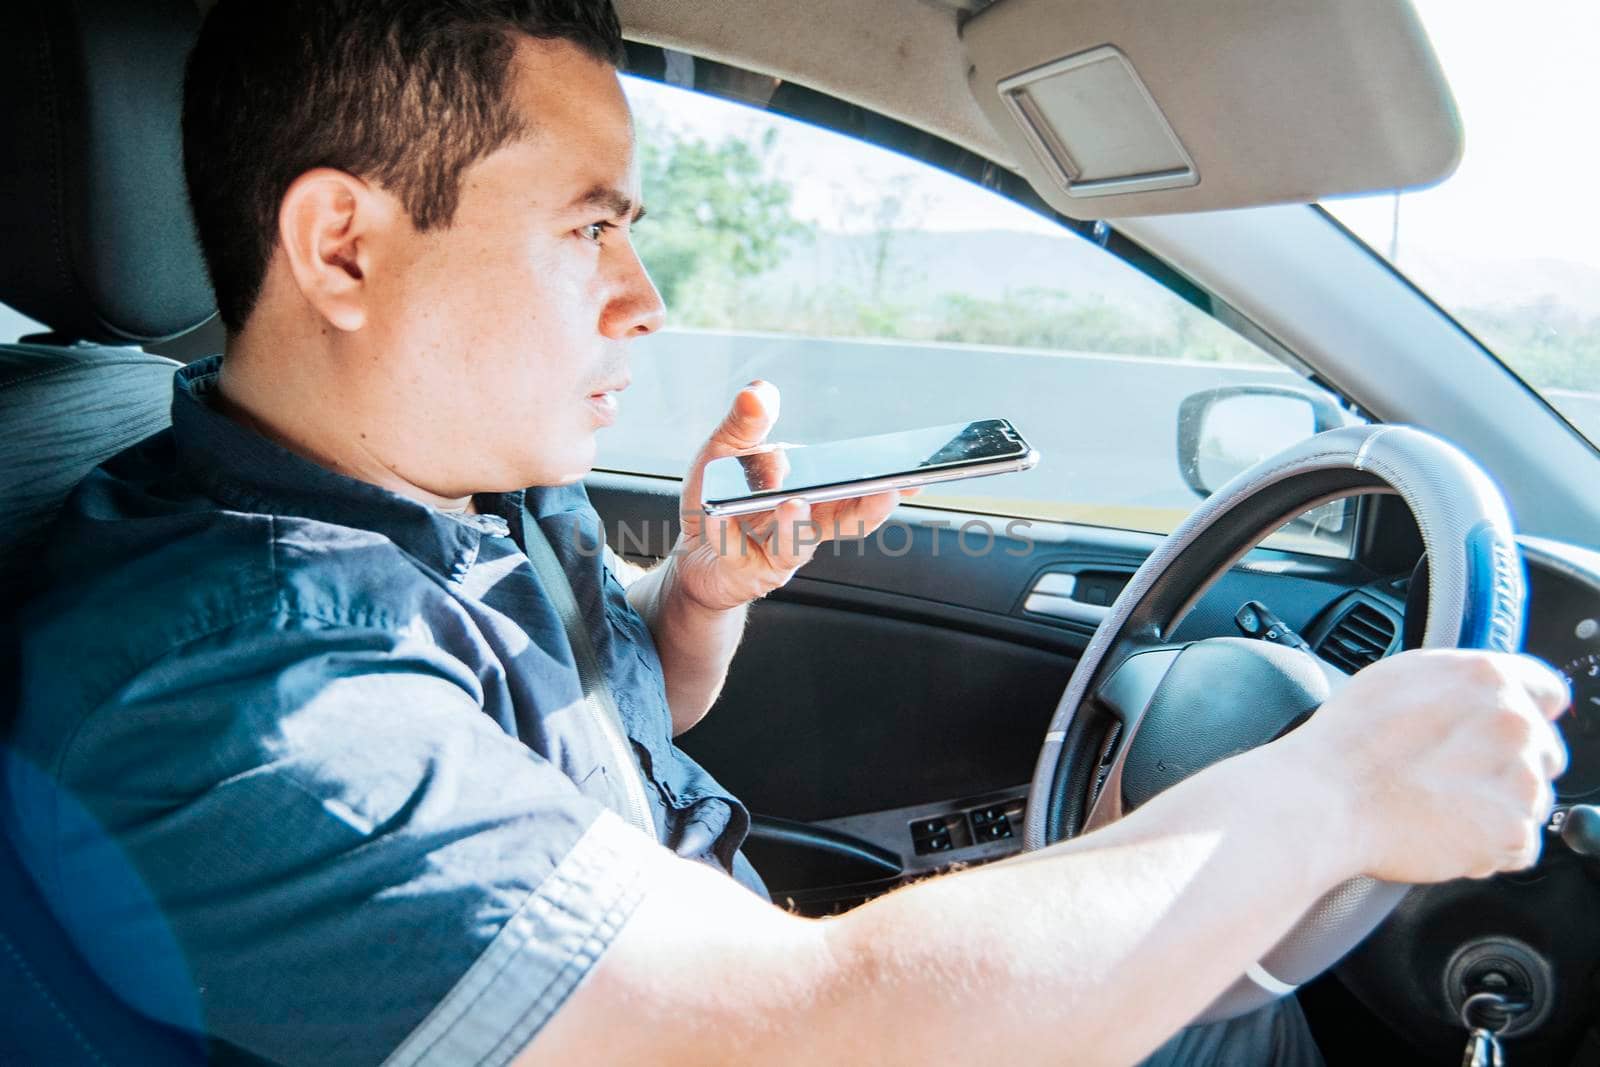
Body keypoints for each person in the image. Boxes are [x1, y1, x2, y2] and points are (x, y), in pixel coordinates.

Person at [3, 1, 1568, 1064]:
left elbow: (586, 740)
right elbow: (790, 1037)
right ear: (343, 245)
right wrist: (1322, 799)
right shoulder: (237, 697)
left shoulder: (449, 485)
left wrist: (692, 600)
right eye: (588, 227)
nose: (644, 297)